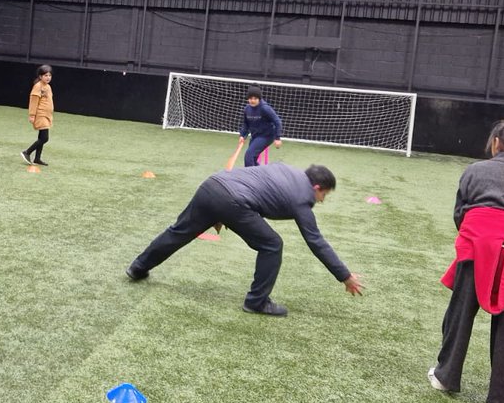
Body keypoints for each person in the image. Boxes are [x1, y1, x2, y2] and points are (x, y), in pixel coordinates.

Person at [125, 163, 364, 317]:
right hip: (232, 200)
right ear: (317, 187)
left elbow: (255, 184)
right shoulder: (303, 197)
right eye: (324, 195)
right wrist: (344, 275)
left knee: (178, 232)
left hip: (213, 184)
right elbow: (315, 241)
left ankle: (138, 267)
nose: (321, 201)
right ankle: (257, 302)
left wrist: (219, 211)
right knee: (272, 244)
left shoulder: (287, 170)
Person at [429, 119, 504, 403]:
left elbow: (460, 213)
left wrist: (475, 238)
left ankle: (446, 377)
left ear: (496, 142)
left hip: (477, 241)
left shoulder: (475, 170)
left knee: (460, 312)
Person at [239, 86, 282, 167]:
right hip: (255, 136)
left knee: (249, 156)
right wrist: (242, 135)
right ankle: (262, 175)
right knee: (253, 158)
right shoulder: (247, 109)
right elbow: (246, 124)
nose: (252, 101)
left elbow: (277, 121)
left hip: (266, 136)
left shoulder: (265, 108)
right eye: (250, 98)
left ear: (259, 99)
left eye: (255, 98)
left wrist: (278, 138)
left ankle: (250, 177)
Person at [20, 65, 54, 166]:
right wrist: (32, 115)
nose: (48, 77)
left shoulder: (48, 87)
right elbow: (33, 101)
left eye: (49, 75)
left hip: (46, 115)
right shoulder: (38, 86)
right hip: (40, 114)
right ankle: (27, 152)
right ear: (40, 76)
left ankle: (37, 158)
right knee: (44, 138)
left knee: (41, 137)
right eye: (45, 75)